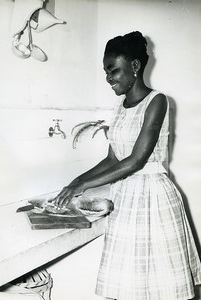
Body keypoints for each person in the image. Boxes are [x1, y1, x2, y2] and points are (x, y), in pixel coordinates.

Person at [53, 31, 201, 299]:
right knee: (128, 286)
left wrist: (83, 185)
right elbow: (113, 158)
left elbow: (135, 161)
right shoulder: (119, 106)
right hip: (125, 198)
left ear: (135, 66)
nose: (108, 77)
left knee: (162, 287)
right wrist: (75, 183)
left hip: (153, 200)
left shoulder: (157, 101)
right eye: (106, 71)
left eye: (114, 70)